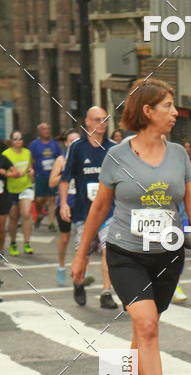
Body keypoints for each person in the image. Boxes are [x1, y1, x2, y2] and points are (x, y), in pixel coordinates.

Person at [72, 78, 191, 375]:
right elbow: (100, 208)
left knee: (143, 329)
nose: (176, 113)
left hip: (168, 254)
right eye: (168, 106)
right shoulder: (117, 155)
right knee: (147, 325)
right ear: (148, 111)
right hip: (126, 252)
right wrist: (81, 255)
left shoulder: (178, 154)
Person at [59, 106, 118, 309]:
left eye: (105, 119)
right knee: (81, 253)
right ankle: (78, 283)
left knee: (107, 250)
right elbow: (65, 179)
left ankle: (106, 292)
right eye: (97, 119)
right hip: (84, 211)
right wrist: (64, 203)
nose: (102, 123)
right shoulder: (76, 148)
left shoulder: (113, 148)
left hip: (109, 211)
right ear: (87, 122)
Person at [49, 130, 90, 285]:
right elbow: (51, 183)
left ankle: (80, 271)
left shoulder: (86, 157)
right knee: (65, 239)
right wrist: (66, 172)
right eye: (71, 141)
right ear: (66, 143)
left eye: (77, 141)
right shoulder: (61, 159)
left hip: (82, 203)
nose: (74, 144)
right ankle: (61, 266)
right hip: (65, 204)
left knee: (84, 240)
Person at [4, 131, 35, 256]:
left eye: (20, 138)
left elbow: (30, 167)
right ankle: (13, 243)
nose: (18, 141)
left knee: (26, 214)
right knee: (13, 218)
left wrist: (31, 171)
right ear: (11, 141)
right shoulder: (6, 154)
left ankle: (27, 243)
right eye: (15, 138)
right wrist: (13, 174)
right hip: (11, 189)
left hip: (25, 186)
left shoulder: (27, 153)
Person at [29, 122, 62, 231]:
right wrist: (31, 171)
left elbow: (59, 158)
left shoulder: (54, 144)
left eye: (48, 128)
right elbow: (31, 159)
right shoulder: (34, 144)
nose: (47, 131)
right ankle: (39, 214)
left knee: (52, 199)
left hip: (52, 175)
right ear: (39, 131)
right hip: (40, 175)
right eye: (44, 129)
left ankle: (51, 223)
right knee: (39, 200)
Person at [0, 144, 13, 260]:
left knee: (1, 228)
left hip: (3, 196)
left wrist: (5, 173)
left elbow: (16, 172)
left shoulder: (3, 159)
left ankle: (1, 251)